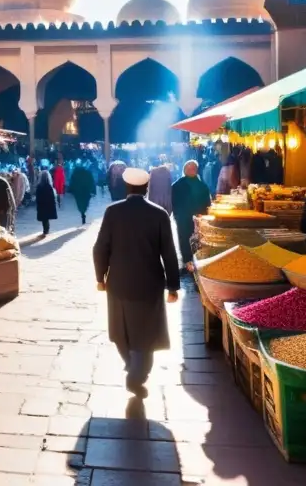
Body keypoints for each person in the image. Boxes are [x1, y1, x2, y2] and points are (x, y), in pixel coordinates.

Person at [93, 167, 180, 396]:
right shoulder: (159, 214)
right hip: (150, 283)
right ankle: (137, 373)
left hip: (119, 282)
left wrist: (100, 277)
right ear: (147, 187)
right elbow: (169, 253)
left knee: (121, 330)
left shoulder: (113, 212)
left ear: (126, 187)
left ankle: (133, 367)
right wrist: (173, 286)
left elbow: (100, 247)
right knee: (146, 332)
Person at [171, 160, 213, 267]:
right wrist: (177, 215)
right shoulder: (177, 185)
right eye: (189, 169)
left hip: (198, 217)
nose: (191, 170)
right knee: (184, 237)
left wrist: (204, 214)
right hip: (183, 217)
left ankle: (197, 257)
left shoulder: (202, 185)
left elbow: (207, 202)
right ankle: (187, 260)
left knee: (198, 237)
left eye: (193, 168)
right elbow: (174, 202)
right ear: (184, 170)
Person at [69, 160, 97, 224]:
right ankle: (83, 212)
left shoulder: (75, 173)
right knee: (85, 203)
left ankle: (82, 213)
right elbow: (92, 182)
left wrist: (71, 190)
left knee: (80, 203)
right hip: (86, 191)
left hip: (78, 192)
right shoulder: (88, 173)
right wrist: (93, 191)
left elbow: (72, 182)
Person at [35, 170, 58, 236]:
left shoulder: (39, 186)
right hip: (48, 205)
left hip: (42, 205)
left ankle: (45, 230)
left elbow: (38, 197)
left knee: (44, 219)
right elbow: (52, 197)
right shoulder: (49, 186)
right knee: (46, 218)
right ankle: (46, 230)